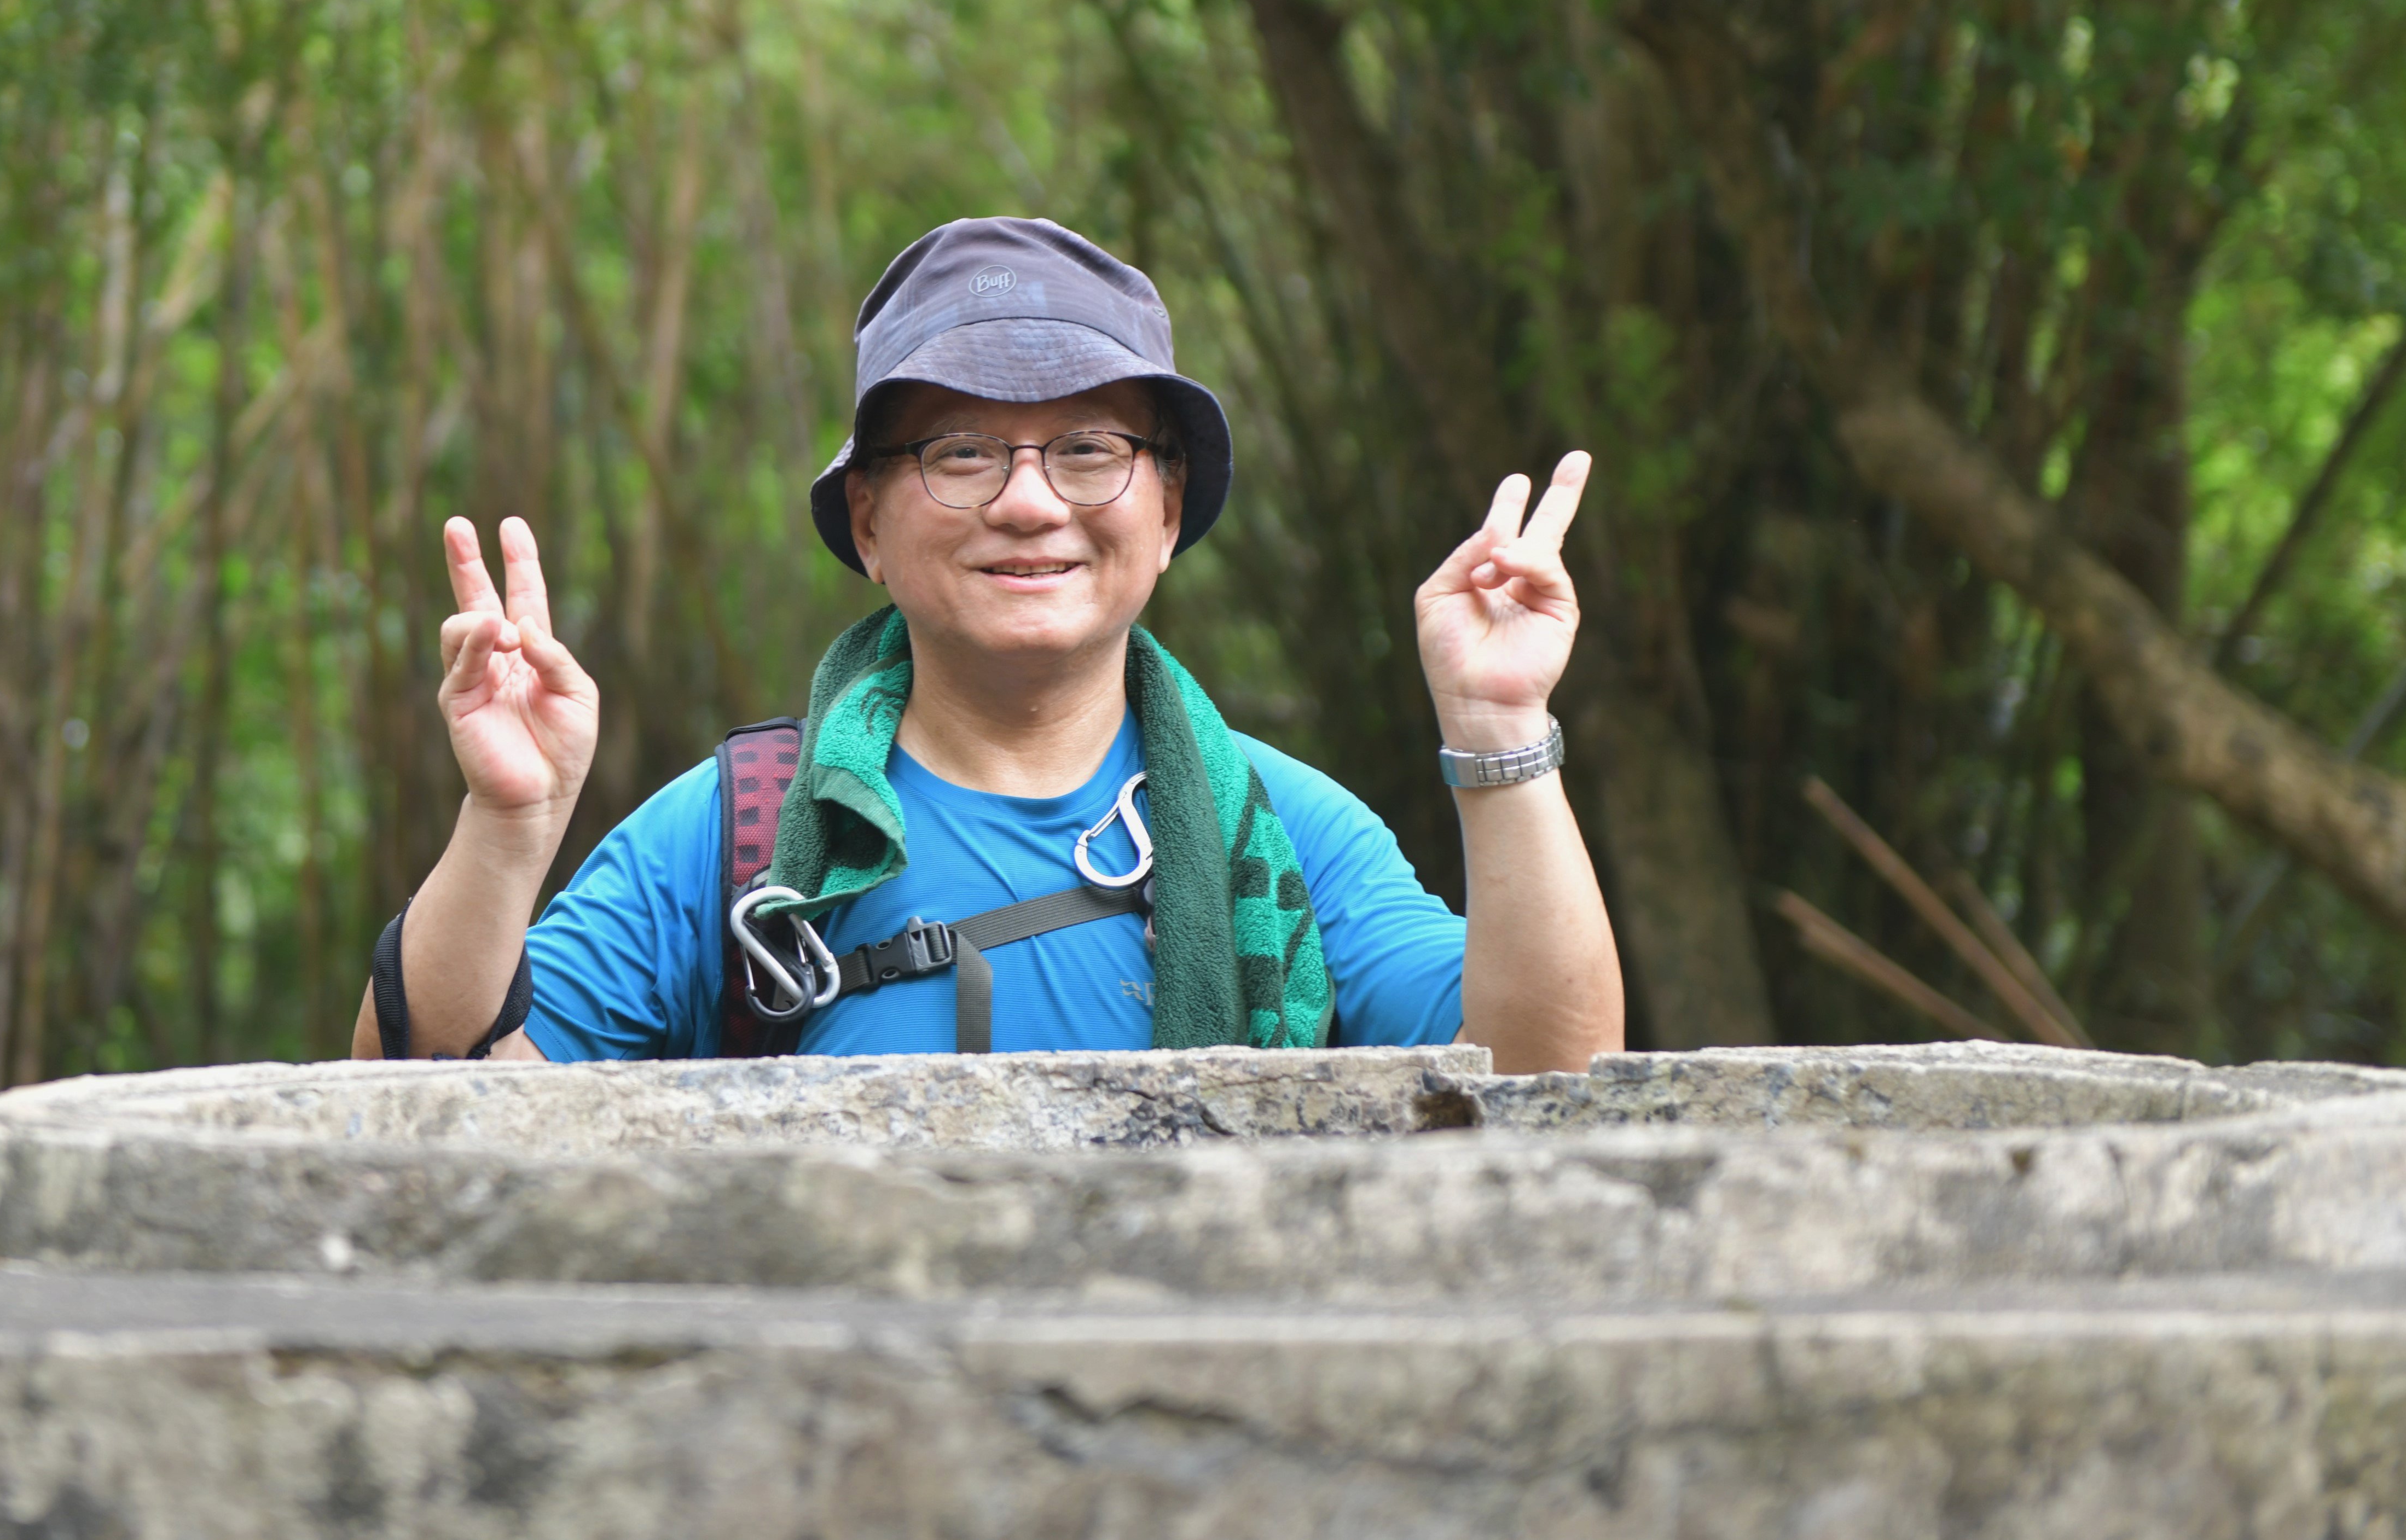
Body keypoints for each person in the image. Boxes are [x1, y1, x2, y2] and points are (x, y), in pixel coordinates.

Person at [353, 218, 1622, 1073]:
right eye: (960, 452)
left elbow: (1547, 1078)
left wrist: (1499, 734)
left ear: (1166, 511)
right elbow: (428, 1096)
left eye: (1089, 449)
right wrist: (507, 828)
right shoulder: (741, 833)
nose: (1027, 501)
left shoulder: (1280, 828)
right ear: (866, 522)